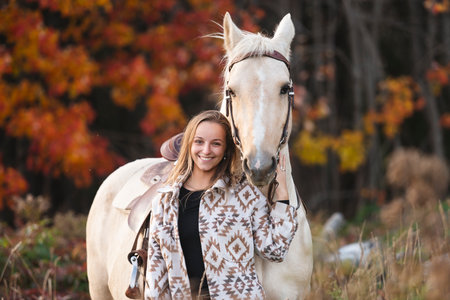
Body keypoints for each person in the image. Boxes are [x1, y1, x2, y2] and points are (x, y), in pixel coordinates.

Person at [145, 110, 298, 300]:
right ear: (189, 144)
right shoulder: (165, 201)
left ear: (226, 149)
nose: (206, 150)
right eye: (199, 142)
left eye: (216, 143)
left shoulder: (244, 194)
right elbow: (156, 270)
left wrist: (282, 195)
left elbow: (275, 249)